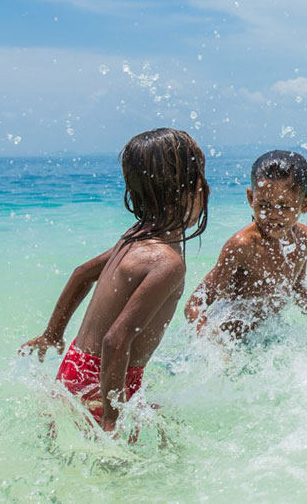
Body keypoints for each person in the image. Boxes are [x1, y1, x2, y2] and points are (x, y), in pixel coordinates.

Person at [20, 128, 209, 432]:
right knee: (113, 470)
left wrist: (53, 334)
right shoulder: (168, 263)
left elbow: (82, 274)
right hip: (107, 379)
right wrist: (112, 415)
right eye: (201, 180)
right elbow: (116, 339)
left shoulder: (133, 239)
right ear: (188, 189)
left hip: (77, 366)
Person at [184, 150, 307, 340]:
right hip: (230, 338)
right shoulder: (243, 245)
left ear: (306, 203)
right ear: (251, 198)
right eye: (264, 205)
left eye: (285, 207)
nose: (274, 214)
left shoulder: (305, 238)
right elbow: (194, 304)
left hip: (267, 334)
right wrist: (215, 343)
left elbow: (297, 289)